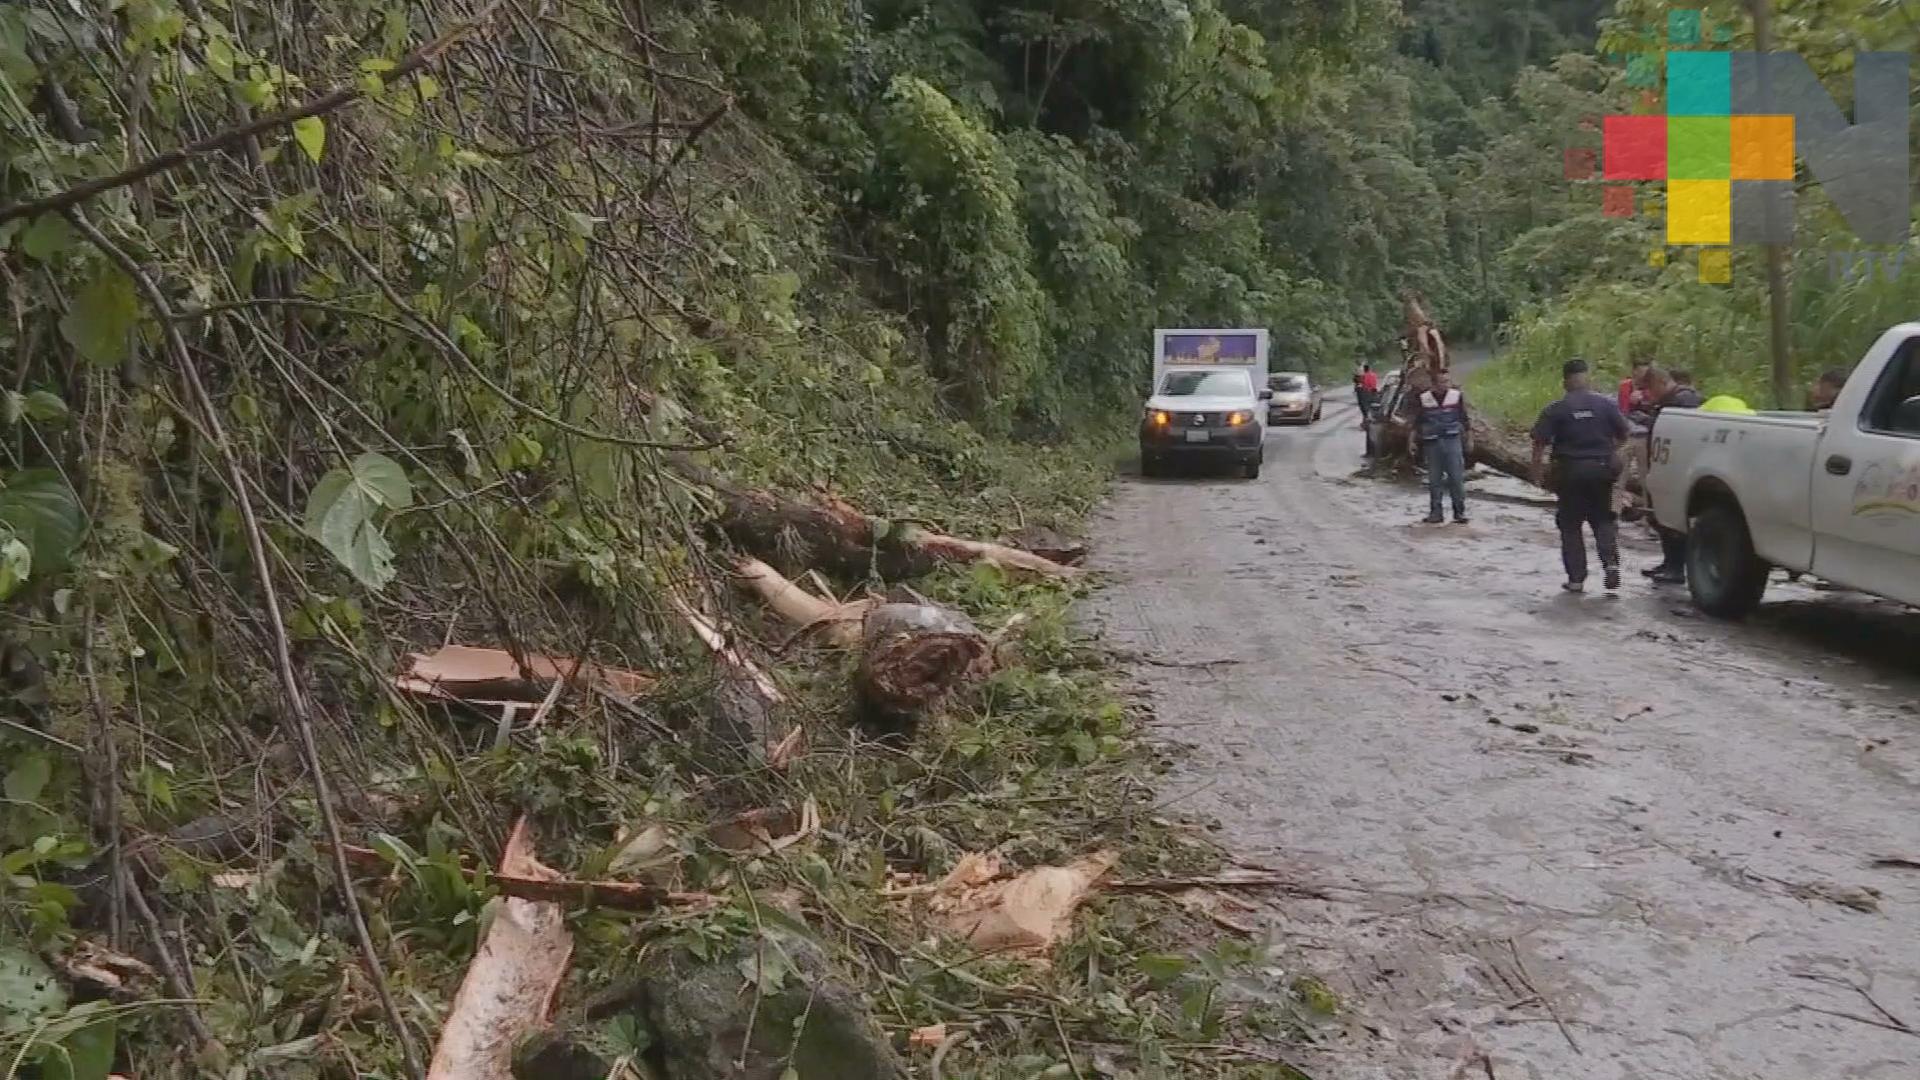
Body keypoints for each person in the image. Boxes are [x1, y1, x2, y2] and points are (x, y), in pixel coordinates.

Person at [1531, 359, 1630, 593]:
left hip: (1570, 472)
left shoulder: (1556, 408)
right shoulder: (1605, 405)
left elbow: (1539, 443)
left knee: (1570, 525)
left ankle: (1576, 579)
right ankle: (1611, 564)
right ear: (1587, 378)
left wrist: (1537, 471)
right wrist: (1611, 453)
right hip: (1601, 469)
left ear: (1565, 381)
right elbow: (1625, 434)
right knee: (1603, 519)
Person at [1639, 367, 1704, 584]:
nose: (1648, 394)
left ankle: (1676, 567)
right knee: (1661, 517)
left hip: (1679, 468)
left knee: (1673, 520)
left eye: (1649, 389)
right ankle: (1669, 562)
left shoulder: (1685, 401)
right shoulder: (1669, 402)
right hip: (1665, 466)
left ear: (1660, 382)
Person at [1410, 368, 1472, 524]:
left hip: (1452, 441)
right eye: (1442, 381)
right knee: (1434, 479)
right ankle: (1436, 513)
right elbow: (1417, 422)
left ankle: (1459, 512)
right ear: (1434, 384)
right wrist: (1411, 441)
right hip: (1432, 443)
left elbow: (1465, 420)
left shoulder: (1456, 396)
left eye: (1447, 381)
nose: (1446, 384)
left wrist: (1469, 440)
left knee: (1456, 478)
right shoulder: (1424, 399)